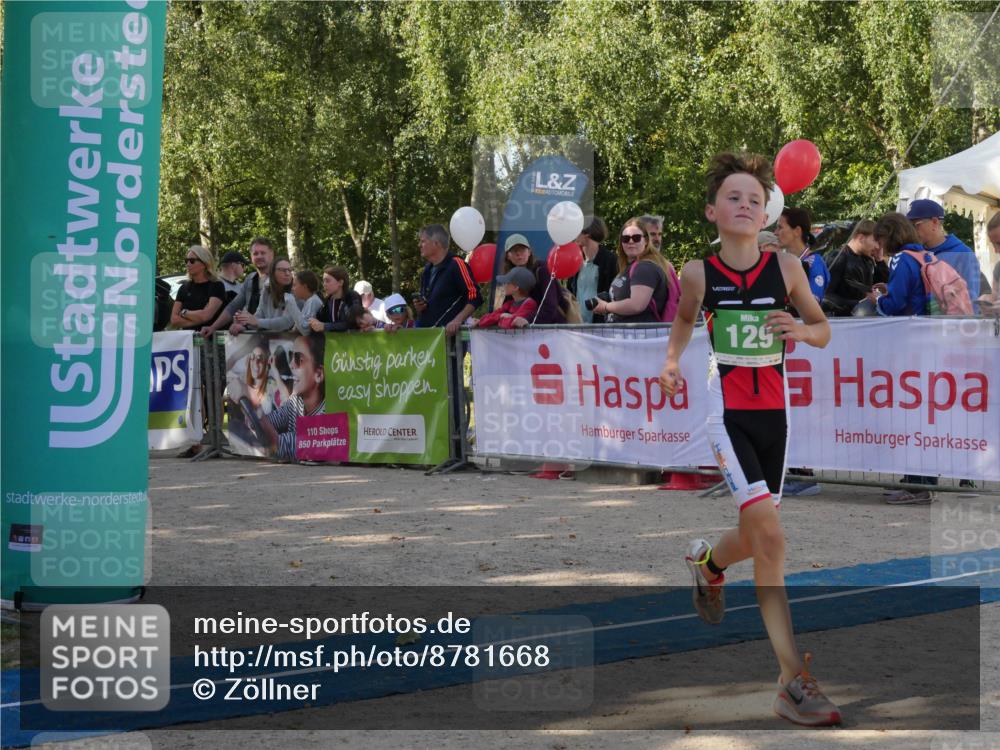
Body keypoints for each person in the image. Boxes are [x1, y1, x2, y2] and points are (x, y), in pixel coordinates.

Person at [659, 151, 839, 727]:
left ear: (766, 214)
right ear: (712, 211)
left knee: (756, 535)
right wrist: (671, 361)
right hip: (728, 416)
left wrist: (800, 331)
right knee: (773, 540)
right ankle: (790, 680)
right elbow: (684, 319)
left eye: (754, 200)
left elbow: (824, 330)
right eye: (733, 197)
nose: (744, 205)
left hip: (775, 419)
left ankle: (708, 564)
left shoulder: (786, 269)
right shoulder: (696, 272)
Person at [589, 218, 671, 324]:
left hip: (638, 333)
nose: (631, 241)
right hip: (625, 333)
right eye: (626, 238)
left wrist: (606, 306)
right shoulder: (631, 266)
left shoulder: (645, 268)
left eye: (636, 238)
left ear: (646, 241)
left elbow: (637, 305)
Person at [259, 333, 326, 462]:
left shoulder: (327, 411)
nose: (291, 364)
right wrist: (254, 419)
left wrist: (253, 406)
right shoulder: (295, 402)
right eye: (291, 356)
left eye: (298, 359)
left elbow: (295, 443)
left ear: (318, 374)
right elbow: (272, 421)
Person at [906, 199, 980, 310]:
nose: (911, 231)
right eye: (908, 227)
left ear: (935, 222)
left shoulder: (963, 254)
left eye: (915, 225)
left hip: (950, 320)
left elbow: (971, 300)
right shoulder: (914, 253)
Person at [413, 224, 482, 334]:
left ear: (436, 243)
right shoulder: (427, 269)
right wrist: (420, 307)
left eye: (423, 241)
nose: (419, 245)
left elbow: (475, 296)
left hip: (450, 338)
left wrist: (458, 320)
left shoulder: (456, 264)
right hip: (428, 337)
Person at [201, 237, 274, 338]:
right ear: (251, 256)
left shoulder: (281, 277)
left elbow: (283, 316)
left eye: (263, 253)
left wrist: (246, 326)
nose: (259, 256)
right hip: (253, 339)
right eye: (255, 253)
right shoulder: (250, 279)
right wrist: (213, 327)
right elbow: (233, 307)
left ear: (272, 254)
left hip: (277, 339)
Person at [499, 233, 565, 324]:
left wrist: (528, 320)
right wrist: (488, 320)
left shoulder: (543, 270)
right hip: (527, 330)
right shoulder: (511, 277)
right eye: (514, 250)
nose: (518, 254)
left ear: (529, 252)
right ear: (508, 256)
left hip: (553, 328)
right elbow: (508, 307)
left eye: (522, 249)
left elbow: (550, 306)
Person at [821, 220, 880, 316]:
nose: (877, 246)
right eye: (874, 240)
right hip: (841, 320)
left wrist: (880, 260)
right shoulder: (838, 257)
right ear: (861, 238)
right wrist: (858, 303)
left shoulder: (867, 260)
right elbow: (825, 296)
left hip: (863, 319)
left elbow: (881, 285)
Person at [568, 217, 617, 324]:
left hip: (601, 326)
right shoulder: (575, 261)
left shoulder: (610, 260)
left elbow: (615, 295)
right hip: (577, 325)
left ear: (587, 233)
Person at [776, 207, 829, 305]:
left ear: (797, 231)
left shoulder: (814, 263)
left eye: (780, 227)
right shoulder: (778, 259)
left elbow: (813, 303)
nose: (775, 232)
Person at [171, 245, 226, 331]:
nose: (188, 264)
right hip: (187, 338)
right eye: (186, 261)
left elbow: (206, 315)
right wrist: (199, 318)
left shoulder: (216, 285)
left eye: (192, 261)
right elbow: (174, 320)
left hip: (208, 337)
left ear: (204, 264)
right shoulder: (184, 288)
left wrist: (184, 312)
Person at [235, 257, 294, 331]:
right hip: (272, 337)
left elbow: (287, 322)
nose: (287, 273)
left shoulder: (296, 290)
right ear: (272, 273)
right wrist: (244, 324)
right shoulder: (266, 290)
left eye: (289, 270)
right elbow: (259, 315)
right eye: (283, 270)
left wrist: (256, 322)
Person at [310, 266, 363, 333]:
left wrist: (325, 326)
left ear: (340, 282)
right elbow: (320, 319)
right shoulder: (328, 300)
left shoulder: (352, 296)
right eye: (323, 281)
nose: (324, 284)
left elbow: (352, 323)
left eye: (327, 281)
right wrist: (314, 323)